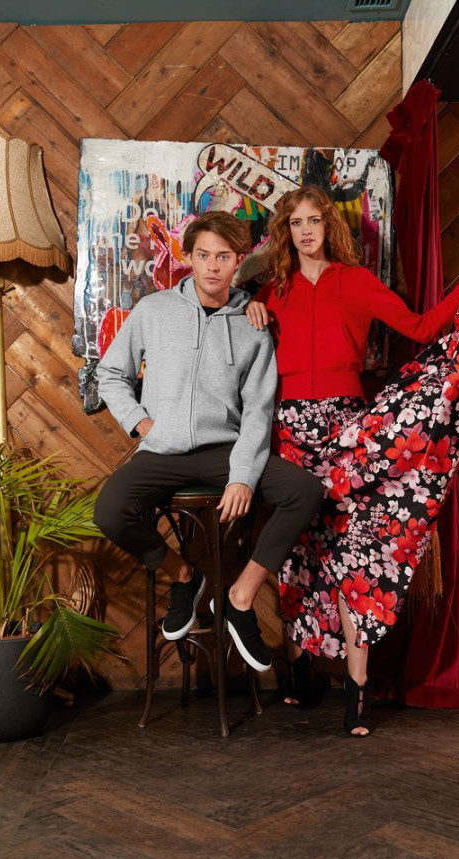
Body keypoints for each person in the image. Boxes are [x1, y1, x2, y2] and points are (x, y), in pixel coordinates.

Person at [245, 184, 459, 736]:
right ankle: (298, 666)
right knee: (298, 552)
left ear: (328, 226)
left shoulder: (357, 281)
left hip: (347, 431)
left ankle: (357, 687)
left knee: (352, 556)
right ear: (285, 232)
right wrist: (248, 304)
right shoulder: (271, 291)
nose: (306, 230)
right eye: (296, 222)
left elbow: (422, 328)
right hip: (287, 432)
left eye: (314, 220)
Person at [94, 210, 324, 674]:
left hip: (225, 453)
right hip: (163, 450)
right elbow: (111, 373)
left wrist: (243, 476)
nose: (213, 266)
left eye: (223, 257)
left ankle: (240, 597)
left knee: (305, 491)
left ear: (238, 260)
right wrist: (142, 424)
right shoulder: (154, 311)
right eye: (203, 255)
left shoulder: (252, 324)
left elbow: (258, 409)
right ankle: (184, 574)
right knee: (109, 511)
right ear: (190, 258)